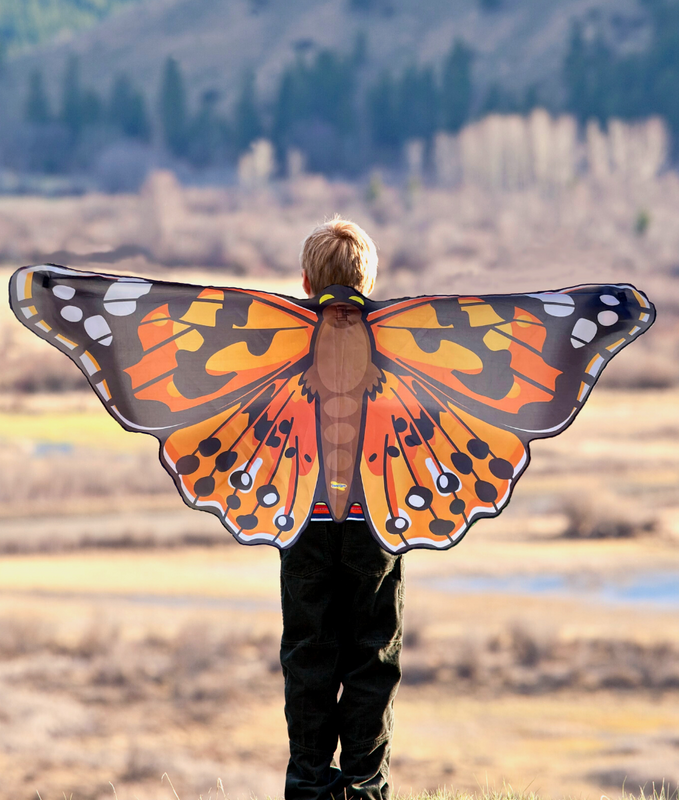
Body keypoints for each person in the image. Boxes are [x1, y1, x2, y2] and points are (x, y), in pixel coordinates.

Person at [279, 217, 404, 800]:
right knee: (372, 656)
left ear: (305, 281)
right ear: (371, 280)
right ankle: (364, 786)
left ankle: (306, 783)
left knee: (309, 651)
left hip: (303, 517)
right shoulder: (399, 343)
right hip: (373, 521)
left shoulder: (280, 341)